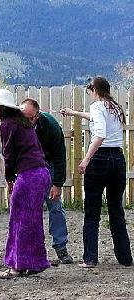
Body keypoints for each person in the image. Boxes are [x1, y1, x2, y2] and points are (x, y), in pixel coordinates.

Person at [60, 76, 132, 268]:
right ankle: (125, 258)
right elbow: (94, 117)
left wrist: (86, 159)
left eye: (90, 89)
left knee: (92, 211)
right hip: (118, 159)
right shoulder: (114, 107)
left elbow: (100, 133)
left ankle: (90, 258)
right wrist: (73, 113)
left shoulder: (97, 106)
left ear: (95, 90)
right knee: (116, 210)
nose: (89, 93)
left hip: (99, 159)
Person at [0, 89, 51, 279]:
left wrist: (9, 178)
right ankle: (34, 262)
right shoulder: (23, 122)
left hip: (28, 175)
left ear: (0, 108)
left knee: (18, 220)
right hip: (41, 172)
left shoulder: (7, 124)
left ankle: (16, 266)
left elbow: (9, 154)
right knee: (32, 220)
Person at [21, 98, 73, 264]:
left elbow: (59, 155)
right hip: (28, 166)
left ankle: (61, 247)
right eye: (24, 117)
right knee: (29, 209)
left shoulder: (50, 125)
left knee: (55, 206)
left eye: (31, 118)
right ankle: (31, 250)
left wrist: (57, 184)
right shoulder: (17, 125)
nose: (27, 122)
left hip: (48, 164)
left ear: (37, 115)